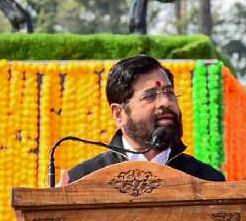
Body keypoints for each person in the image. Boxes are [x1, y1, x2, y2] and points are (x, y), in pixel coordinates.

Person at [63, 54, 226, 184]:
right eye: (150, 96)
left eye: (169, 92)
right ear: (118, 114)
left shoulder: (208, 180)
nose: (165, 102)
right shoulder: (82, 180)